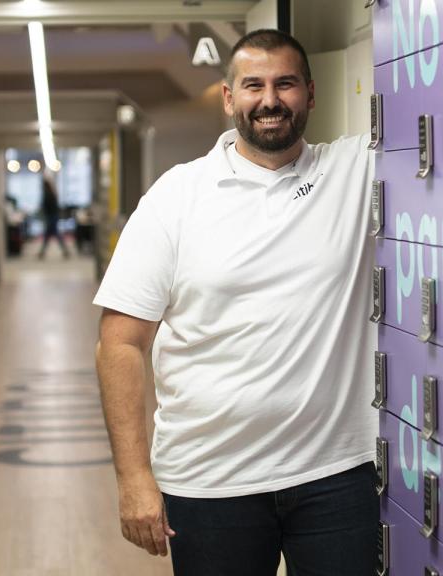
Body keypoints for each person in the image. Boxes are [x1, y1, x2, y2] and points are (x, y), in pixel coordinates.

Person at [93, 29, 377, 575]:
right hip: (209, 481)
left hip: (337, 477)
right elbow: (120, 344)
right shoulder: (176, 197)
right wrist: (133, 478)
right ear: (229, 98)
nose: (269, 100)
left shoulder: (353, 171)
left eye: (285, 84)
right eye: (253, 85)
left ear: (311, 94)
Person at [38, 177, 70, 259]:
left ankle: (42, 253)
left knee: (52, 235)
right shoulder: (51, 194)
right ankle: (42, 252)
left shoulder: (49, 195)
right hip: (53, 217)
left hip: (51, 217)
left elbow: (47, 207)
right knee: (50, 235)